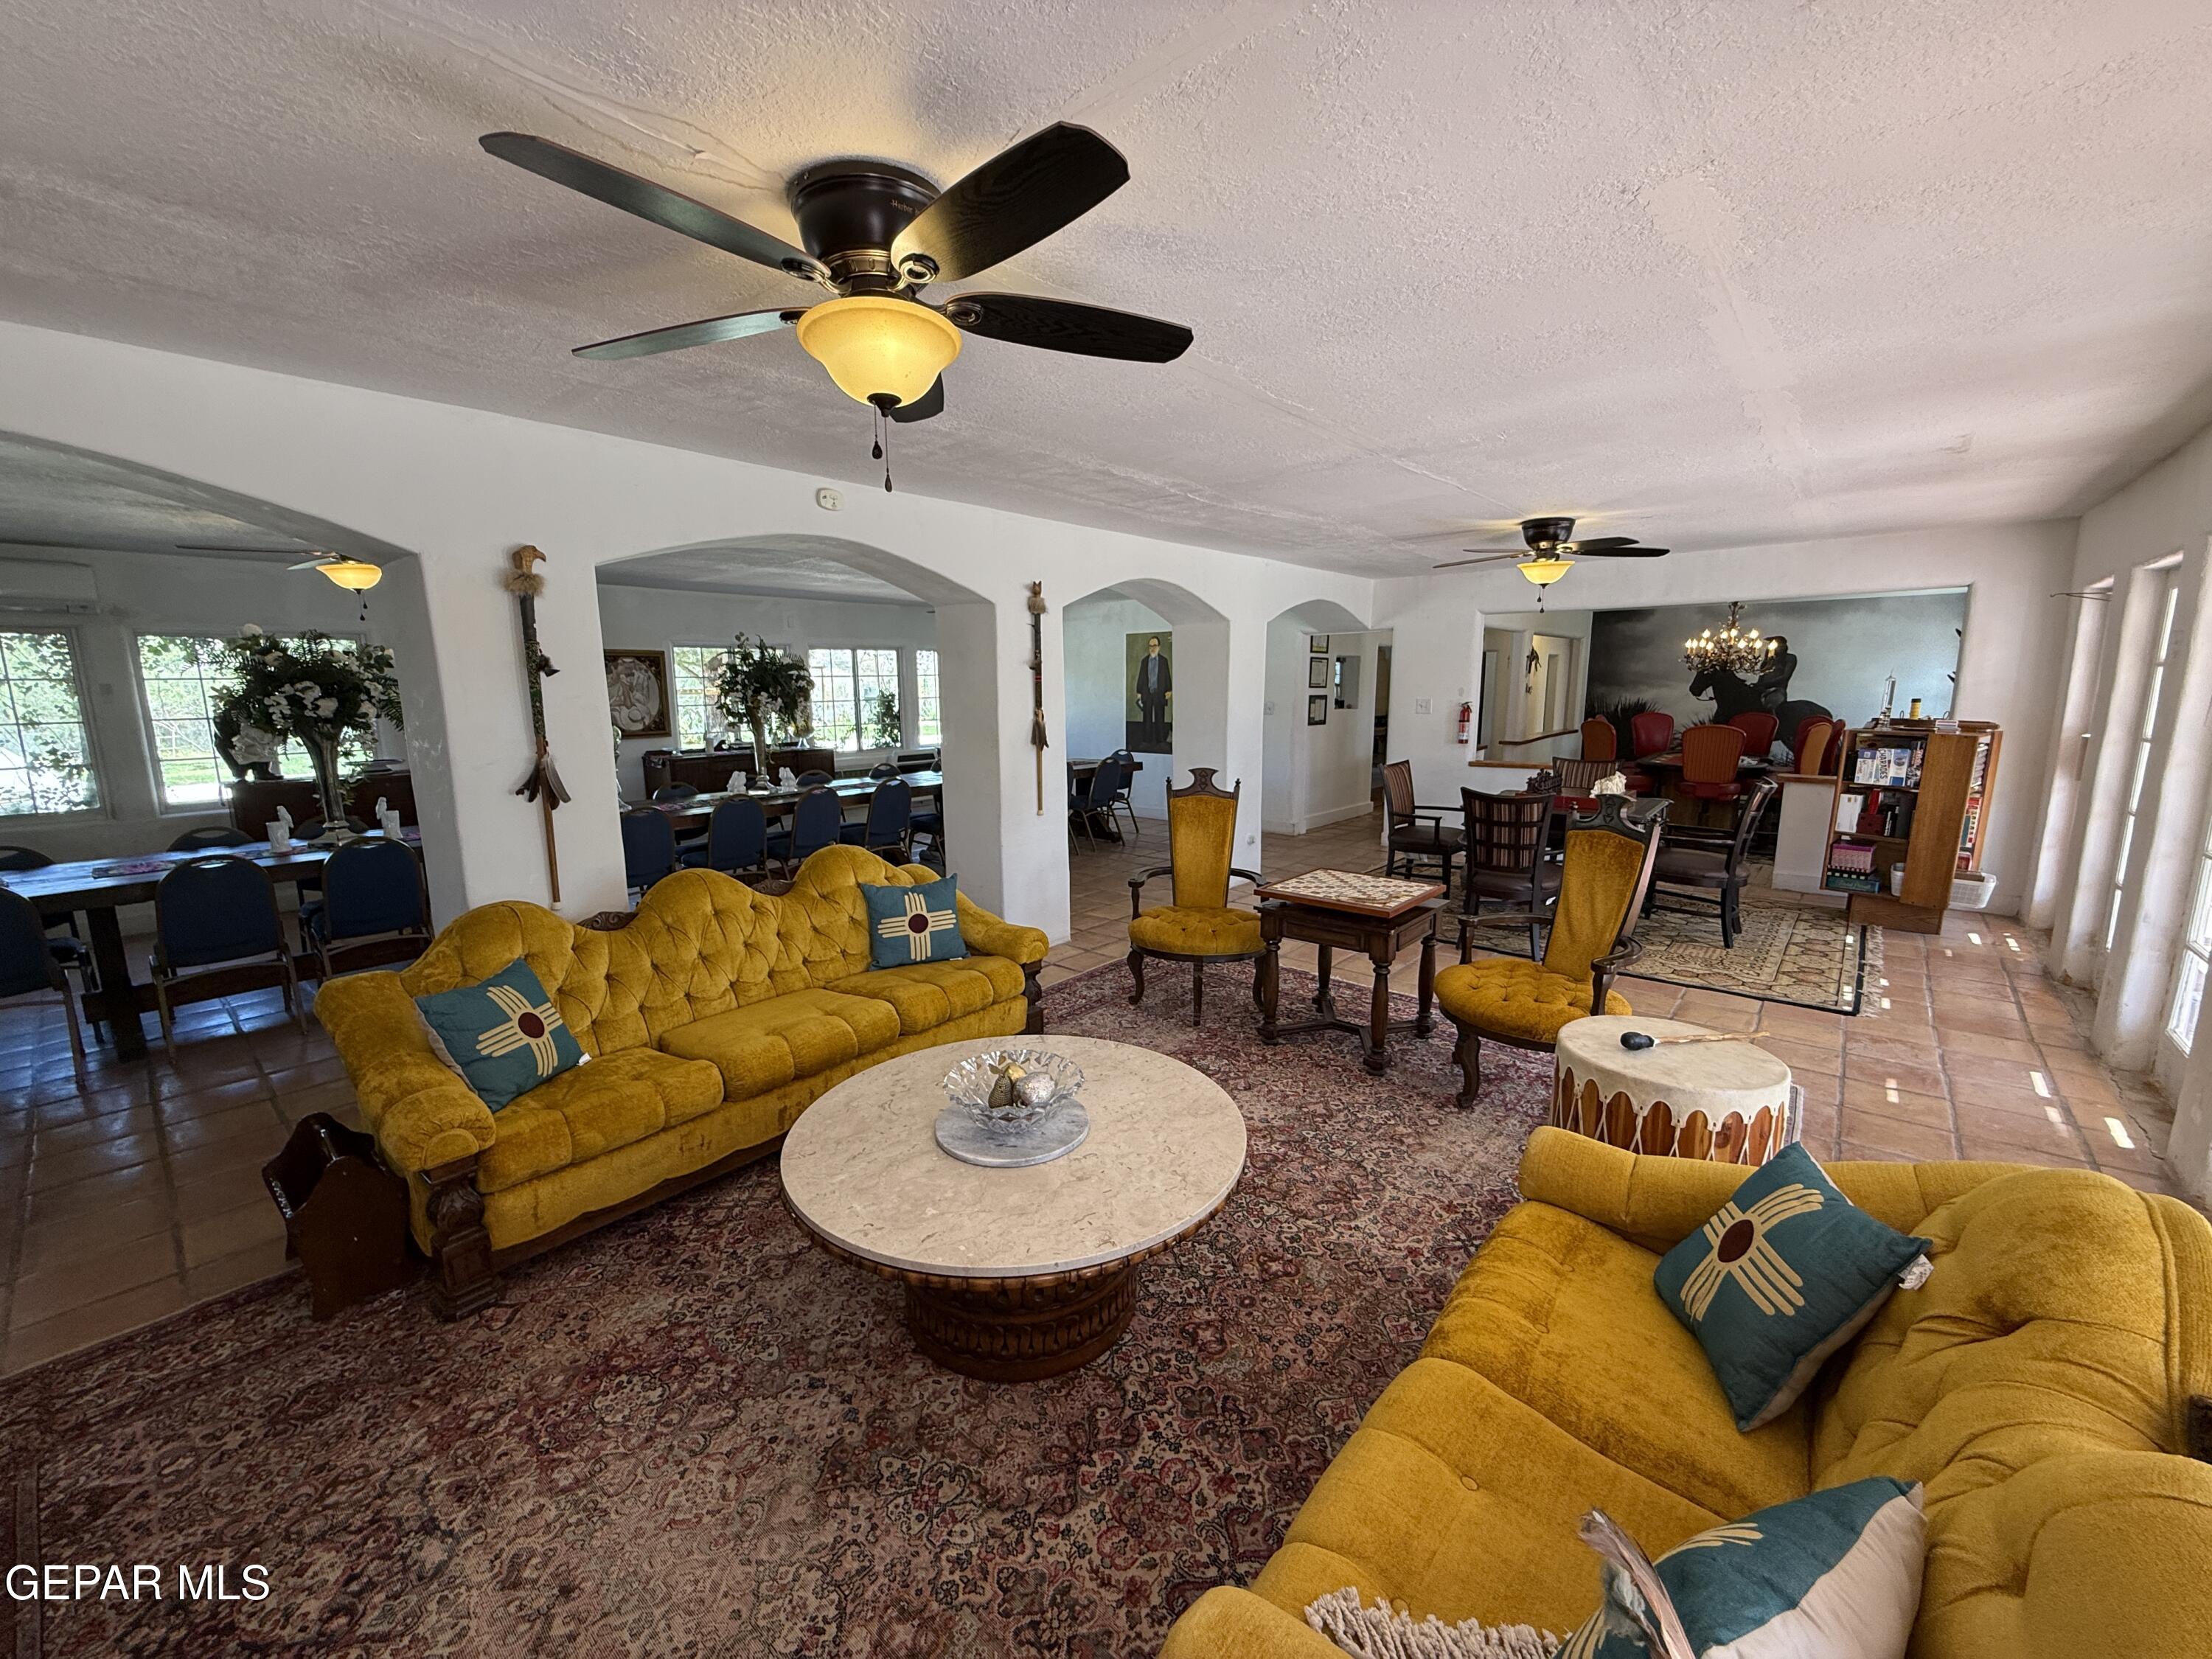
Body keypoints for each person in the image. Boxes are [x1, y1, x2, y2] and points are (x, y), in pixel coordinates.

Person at [1131, 635, 1172, 749]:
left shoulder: (1164, 661)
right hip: (1147, 693)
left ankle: (1160, 740)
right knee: (1147, 718)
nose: (1152, 648)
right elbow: (1141, 677)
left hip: (1160, 693)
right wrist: (1139, 691)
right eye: (1150, 646)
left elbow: (1167, 676)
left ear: (1159, 647)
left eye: (1154, 646)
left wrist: (1169, 690)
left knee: (1160, 717)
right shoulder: (1144, 661)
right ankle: (1147, 740)